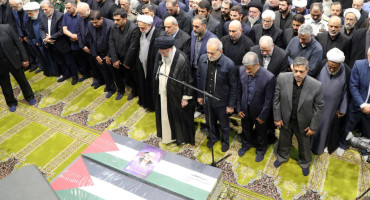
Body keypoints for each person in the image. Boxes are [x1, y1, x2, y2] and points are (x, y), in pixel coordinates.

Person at [273, 56, 324, 176]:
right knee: (284, 139)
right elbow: (276, 99)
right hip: (285, 118)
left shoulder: (316, 85)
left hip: (304, 122)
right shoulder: (282, 78)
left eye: (301, 71)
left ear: (307, 70)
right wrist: (277, 117)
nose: (298, 74)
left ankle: (305, 163)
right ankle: (282, 156)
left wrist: (313, 127)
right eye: (295, 70)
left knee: (304, 144)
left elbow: (319, 107)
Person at [153, 35, 195, 145]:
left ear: (171, 48)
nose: (163, 54)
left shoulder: (181, 59)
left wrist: (185, 98)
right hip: (163, 93)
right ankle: (167, 137)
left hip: (177, 96)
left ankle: (178, 138)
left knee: (176, 119)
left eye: (165, 52)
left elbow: (188, 80)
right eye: (161, 52)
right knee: (164, 116)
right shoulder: (160, 55)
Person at [197, 38, 237, 152]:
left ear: (221, 51)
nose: (209, 55)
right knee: (210, 121)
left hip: (222, 102)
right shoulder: (203, 59)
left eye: (212, 53)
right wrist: (200, 95)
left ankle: (225, 141)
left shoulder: (229, 65)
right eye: (208, 52)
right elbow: (199, 78)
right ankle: (213, 138)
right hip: (207, 99)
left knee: (224, 125)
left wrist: (230, 105)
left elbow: (234, 87)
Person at [236, 52, 275, 162]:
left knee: (261, 133)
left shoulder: (269, 77)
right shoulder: (241, 70)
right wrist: (238, 108)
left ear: (257, 64)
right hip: (244, 110)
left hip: (259, 113)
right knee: (245, 130)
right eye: (246, 68)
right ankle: (246, 145)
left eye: (249, 69)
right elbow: (239, 91)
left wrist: (263, 116)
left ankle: (261, 150)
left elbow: (269, 100)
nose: (247, 71)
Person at [311, 48, 350, 155]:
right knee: (314, 123)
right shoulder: (322, 63)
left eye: (334, 67)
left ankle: (321, 146)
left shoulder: (346, 70)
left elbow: (346, 92)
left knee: (326, 126)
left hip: (332, 107)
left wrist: (342, 108)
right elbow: (312, 81)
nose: (331, 69)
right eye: (330, 66)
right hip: (317, 103)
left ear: (340, 64)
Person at [337, 47, 370, 159]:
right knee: (348, 127)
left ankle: (365, 151)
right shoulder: (359, 65)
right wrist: (362, 104)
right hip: (356, 106)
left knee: (367, 131)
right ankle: (343, 144)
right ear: (367, 54)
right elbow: (353, 86)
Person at [39, 0, 79, 85]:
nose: (44, 11)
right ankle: (66, 74)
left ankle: (75, 76)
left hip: (62, 44)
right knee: (59, 61)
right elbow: (41, 29)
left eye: (46, 9)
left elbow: (61, 31)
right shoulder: (42, 16)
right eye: (43, 10)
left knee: (69, 61)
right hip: (51, 45)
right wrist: (44, 39)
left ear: (52, 7)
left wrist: (51, 37)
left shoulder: (60, 16)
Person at [0, 24, 35, 112]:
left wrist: (25, 58)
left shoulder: (7, 27)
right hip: (0, 65)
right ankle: (11, 102)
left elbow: (18, 43)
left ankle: (29, 96)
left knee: (22, 80)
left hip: (14, 60)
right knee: (5, 85)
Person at [109, 9, 140, 100]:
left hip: (129, 59)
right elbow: (111, 41)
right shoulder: (113, 26)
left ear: (125, 19)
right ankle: (120, 90)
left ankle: (135, 91)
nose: (115, 22)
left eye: (118, 20)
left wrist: (126, 63)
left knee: (131, 78)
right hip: (117, 57)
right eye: (114, 19)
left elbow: (133, 48)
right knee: (117, 75)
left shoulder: (133, 28)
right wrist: (114, 59)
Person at [137, 14, 161, 111]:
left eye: (143, 28)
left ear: (149, 26)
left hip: (152, 66)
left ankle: (152, 106)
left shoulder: (157, 35)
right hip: (142, 64)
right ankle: (145, 102)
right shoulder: (141, 32)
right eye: (140, 28)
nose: (141, 30)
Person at [88, 11, 114, 95]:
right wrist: (95, 55)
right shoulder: (90, 24)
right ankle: (110, 88)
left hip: (109, 54)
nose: (94, 25)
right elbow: (91, 41)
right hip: (98, 54)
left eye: (96, 22)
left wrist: (109, 56)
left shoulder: (111, 24)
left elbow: (113, 42)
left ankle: (120, 90)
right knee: (104, 72)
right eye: (93, 23)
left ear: (101, 19)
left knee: (114, 74)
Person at [63, 0, 90, 82]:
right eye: (66, 8)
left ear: (74, 6)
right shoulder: (66, 15)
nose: (67, 9)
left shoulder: (81, 14)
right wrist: (72, 36)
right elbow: (64, 29)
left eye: (69, 8)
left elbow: (86, 29)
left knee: (88, 59)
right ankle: (85, 74)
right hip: (73, 42)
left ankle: (91, 73)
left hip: (83, 41)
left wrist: (78, 37)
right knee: (79, 60)